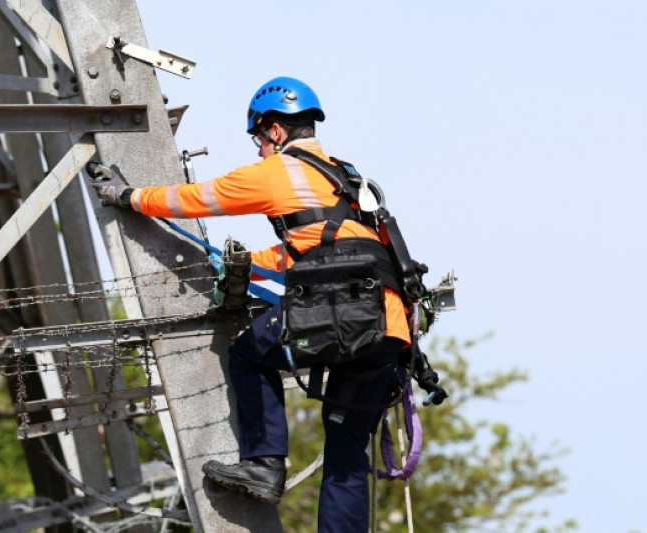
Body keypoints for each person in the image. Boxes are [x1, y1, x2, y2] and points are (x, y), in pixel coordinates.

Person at [90, 76, 411, 532]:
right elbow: (321, 251)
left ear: (275, 130)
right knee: (346, 448)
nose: (258, 150)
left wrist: (128, 196)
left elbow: (198, 199)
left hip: (341, 312)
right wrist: (244, 264)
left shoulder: (278, 171)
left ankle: (264, 464)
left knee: (250, 353)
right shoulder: (345, 176)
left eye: (258, 140)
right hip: (387, 328)